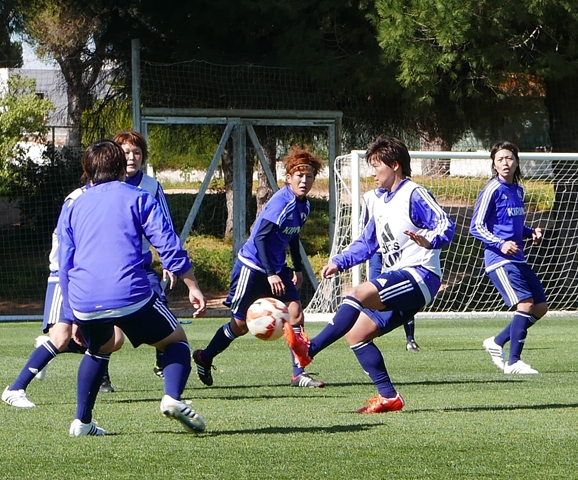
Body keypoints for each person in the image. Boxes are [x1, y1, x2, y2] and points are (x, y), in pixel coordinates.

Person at [285, 136, 455, 413]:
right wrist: (339, 262)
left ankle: (310, 349)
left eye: (377, 166)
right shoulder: (376, 201)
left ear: (395, 165)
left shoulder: (414, 193)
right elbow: (367, 243)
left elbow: (446, 226)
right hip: (399, 276)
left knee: (358, 293)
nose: (373, 173)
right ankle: (389, 396)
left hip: (420, 275)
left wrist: (429, 240)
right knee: (357, 334)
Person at [58, 139, 207, 436]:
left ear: (88, 170)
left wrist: (70, 313)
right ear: (120, 168)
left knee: (97, 351)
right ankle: (172, 399)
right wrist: (192, 285)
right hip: (129, 293)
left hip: (83, 299)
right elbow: (168, 246)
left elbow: (65, 262)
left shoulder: (74, 205)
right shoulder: (137, 197)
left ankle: (82, 422)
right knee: (176, 341)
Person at [192, 146, 326, 388]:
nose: (304, 180)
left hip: (277, 266)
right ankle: (205, 356)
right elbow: (260, 238)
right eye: (299, 175)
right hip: (252, 267)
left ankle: (298, 373)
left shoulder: (304, 206)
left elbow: (292, 236)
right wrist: (272, 273)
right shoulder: (280, 202)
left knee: (295, 312)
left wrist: (297, 268)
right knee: (240, 326)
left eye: (309, 176)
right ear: (289, 178)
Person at [1, 186, 125, 409]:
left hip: (89, 278)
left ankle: (49, 349)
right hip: (64, 276)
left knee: (114, 340)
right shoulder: (77, 199)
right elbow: (69, 246)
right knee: (60, 336)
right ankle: (15, 388)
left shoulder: (109, 196)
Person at [470, 141, 548, 375]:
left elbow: (513, 224)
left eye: (509, 158)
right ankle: (514, 362)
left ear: (517, 162)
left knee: (540, 307)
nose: (505, 162)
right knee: (525, 303)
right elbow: (476, 226)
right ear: (494, 164)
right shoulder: (492, 189)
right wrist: (500, 244)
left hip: (519, 258)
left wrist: (529, 231)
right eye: (500, 159)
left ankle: (497, 341)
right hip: (499, 260)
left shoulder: (518, 190)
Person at [113, 130, 175, 377]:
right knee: (109, 322)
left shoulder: (151, 186)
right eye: (126, 152)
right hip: (112, 268)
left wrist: (169, 260)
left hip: (141, 266)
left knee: (160, 305)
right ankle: (102, 373)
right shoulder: (105, 184)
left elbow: (165, 228)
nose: (131, 157)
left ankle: (163, 362)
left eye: (136, 152)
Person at [363, 189, 419, 352]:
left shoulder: (403, 194)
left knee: (405, 296)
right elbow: (365, 224)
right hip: (376, 255)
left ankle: (410, 339)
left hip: (397, 253)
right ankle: (367, 334)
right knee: (371, 294)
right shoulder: (369, 197)